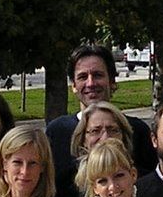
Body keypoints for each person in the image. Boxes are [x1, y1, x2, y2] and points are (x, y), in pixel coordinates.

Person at [45, 44, 156, 174]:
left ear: (112, 81)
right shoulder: (57, 132)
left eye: (98, 75)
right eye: (82, 77)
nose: (91, 83)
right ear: (74, 85)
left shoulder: (137, 131)